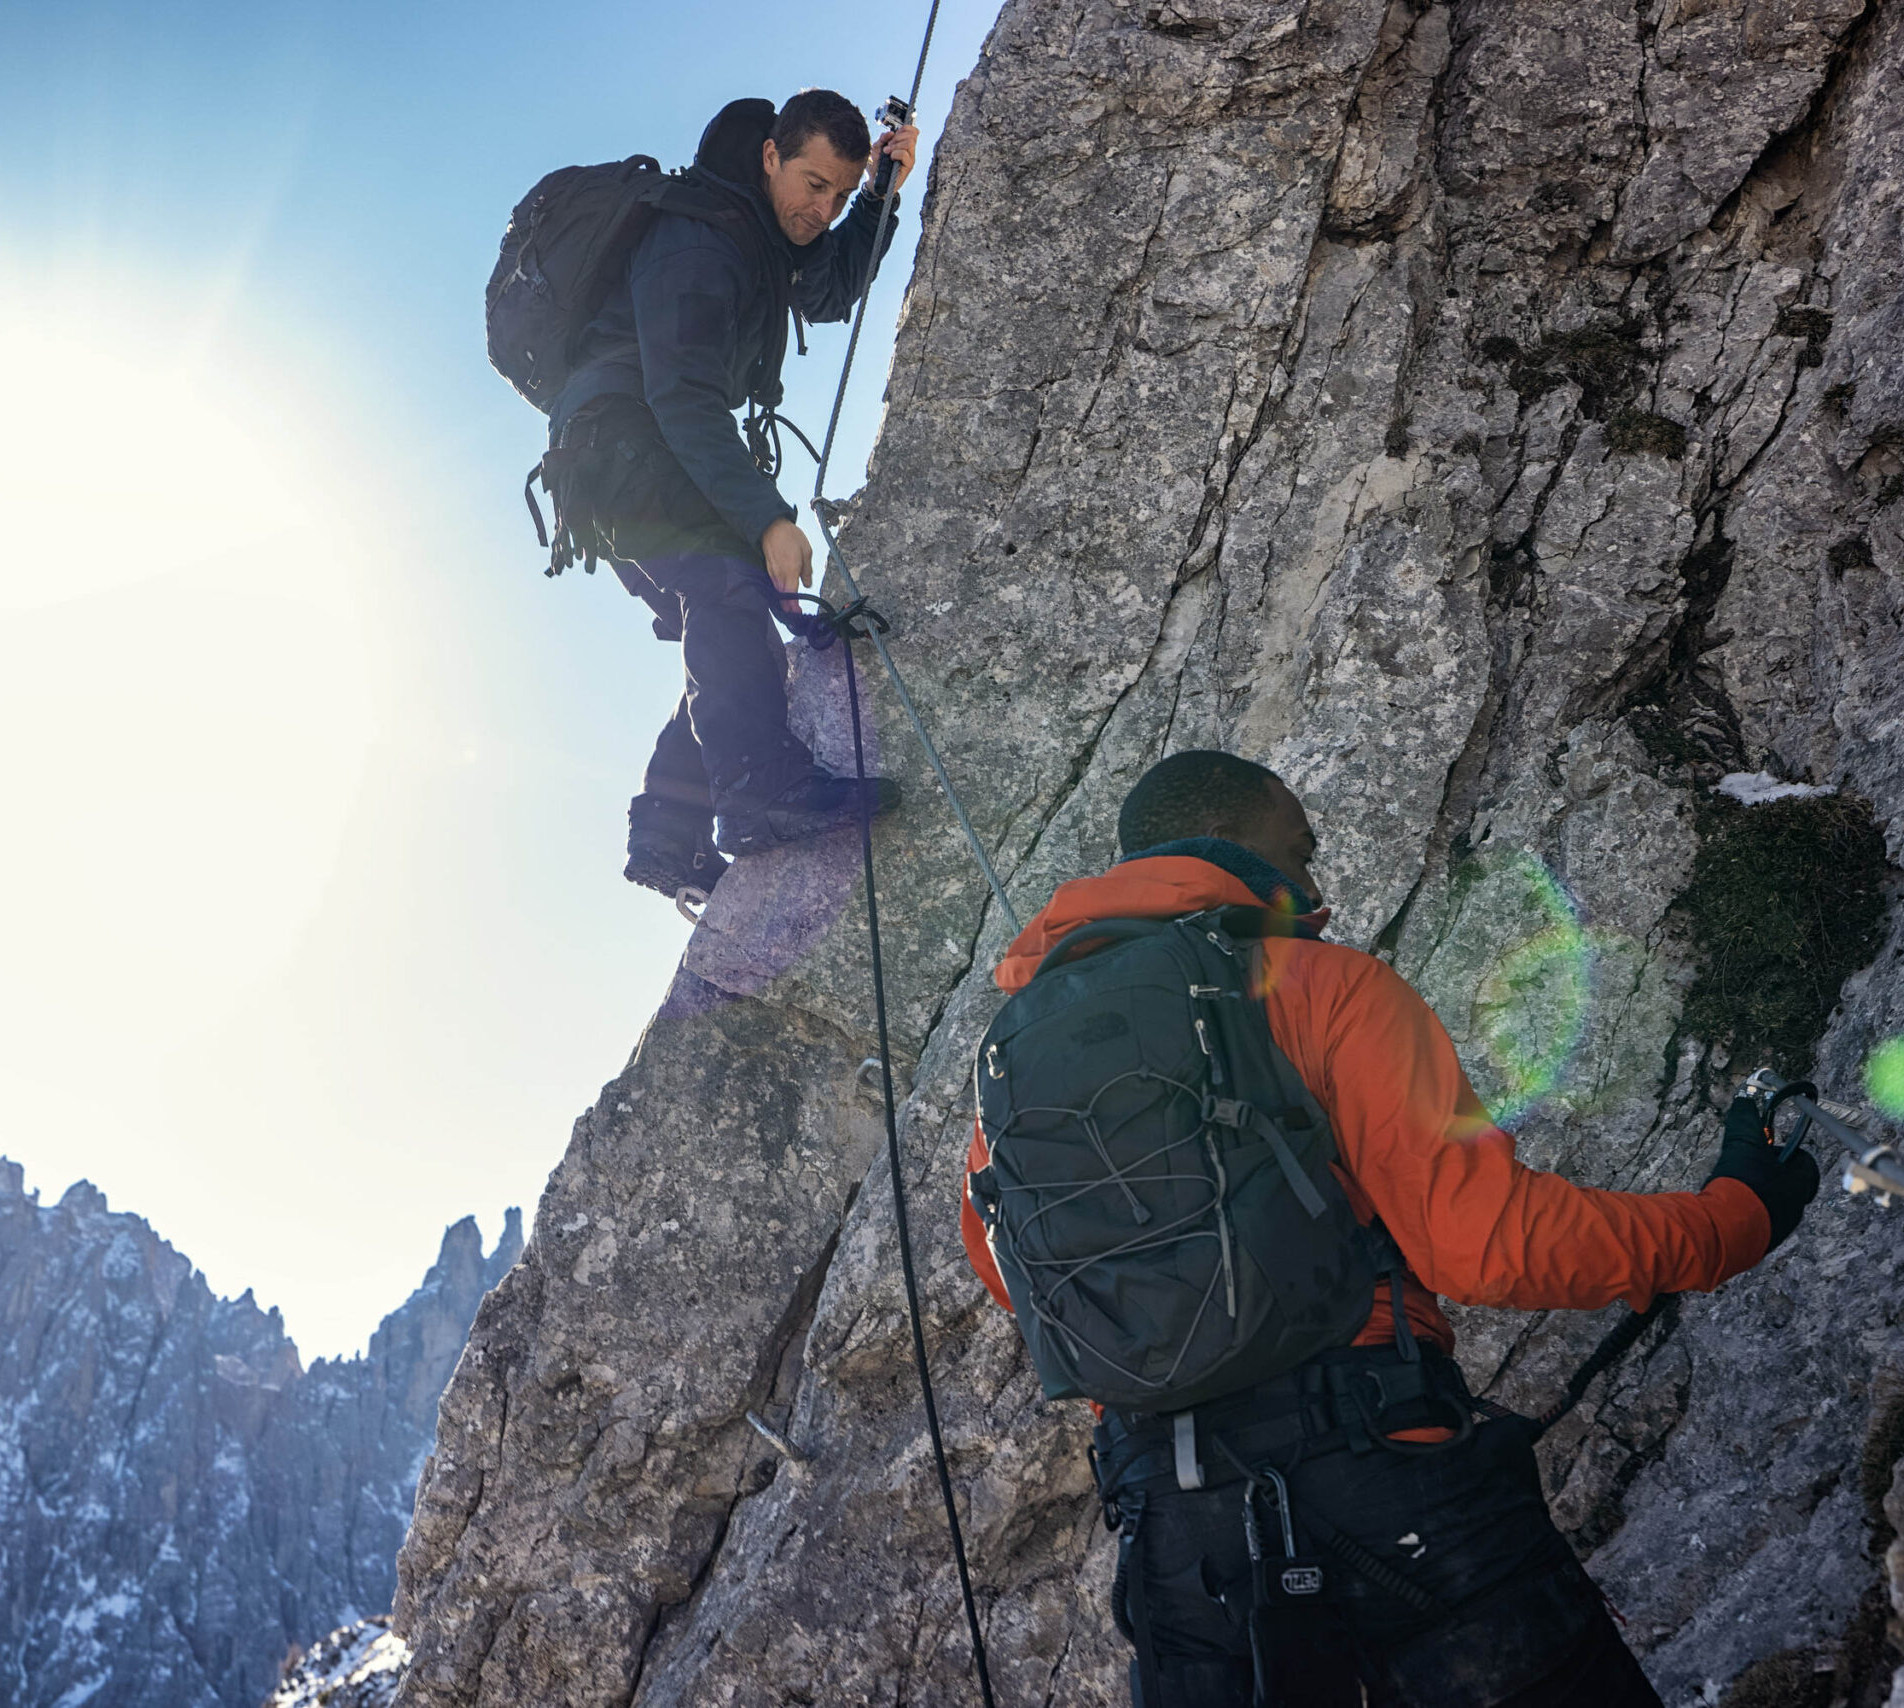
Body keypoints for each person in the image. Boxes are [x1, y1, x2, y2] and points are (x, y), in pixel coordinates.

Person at [959, 750, 1824, 1707]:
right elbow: (1481, 1242)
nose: (1317, 878)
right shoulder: (1323, 986)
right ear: (1251, 847)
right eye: (1304, 846)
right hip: (1389, 1483)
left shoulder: (1012, 1062)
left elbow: (1014, 1277)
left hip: (1177, 1538)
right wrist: (1730, 1221)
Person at [544, 92, 919, 905]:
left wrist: (881, 199)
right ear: (769, 157)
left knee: (729, 619)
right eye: (813, 183)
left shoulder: (762, 235)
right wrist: (767, 518)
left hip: (633, 453)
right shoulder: (701, 241)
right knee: (729, 583)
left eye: (839, 196)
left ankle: (671, 834)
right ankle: (758, 795)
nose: (821, 209)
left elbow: (827, 294)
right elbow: (681, 397)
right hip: (625, 442)